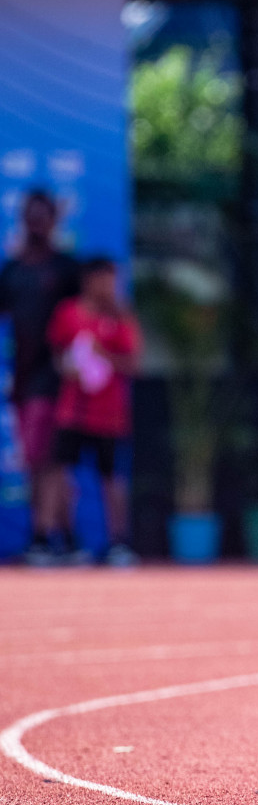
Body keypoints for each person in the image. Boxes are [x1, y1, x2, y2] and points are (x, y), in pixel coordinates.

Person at [43, 257, 141, 565]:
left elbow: (133, 364)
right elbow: (57, 356)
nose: (111, 287)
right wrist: (68, 367)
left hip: (109, 415)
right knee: (59, 472)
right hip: (72, 412)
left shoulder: (121, 316)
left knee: (112, 477)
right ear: (89, 280)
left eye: (114, 280)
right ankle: (59, 538)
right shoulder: (68, 314)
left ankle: (117, 542)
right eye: (105, 280)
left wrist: (104, 356)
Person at [2, 191, 81, 564]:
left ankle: (41, 535)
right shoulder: (13, 270)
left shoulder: (67, 269)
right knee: (39, 461)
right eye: (30, 215)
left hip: (56, 381)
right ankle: (66, 536)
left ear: (54, 219)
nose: (37, 222)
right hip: (23, 378)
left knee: (51, 459)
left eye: (44, 215)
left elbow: (86, 319)